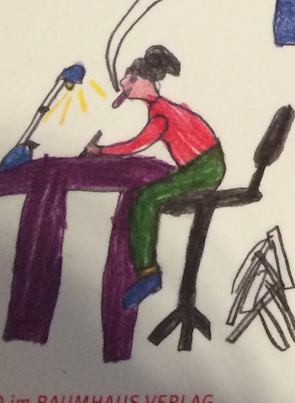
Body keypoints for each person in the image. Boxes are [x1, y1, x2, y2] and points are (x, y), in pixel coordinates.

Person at [84, 45, 225, 310]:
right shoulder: (162, 109)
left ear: (146, 81)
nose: (124, 83)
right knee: (150, 190)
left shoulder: (161, 113)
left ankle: (148, 274)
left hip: (205, 168)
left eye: (131, 78)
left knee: (146, 199)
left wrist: (100, 151)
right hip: (202, 165)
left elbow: (136, 145)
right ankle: (147, 272)